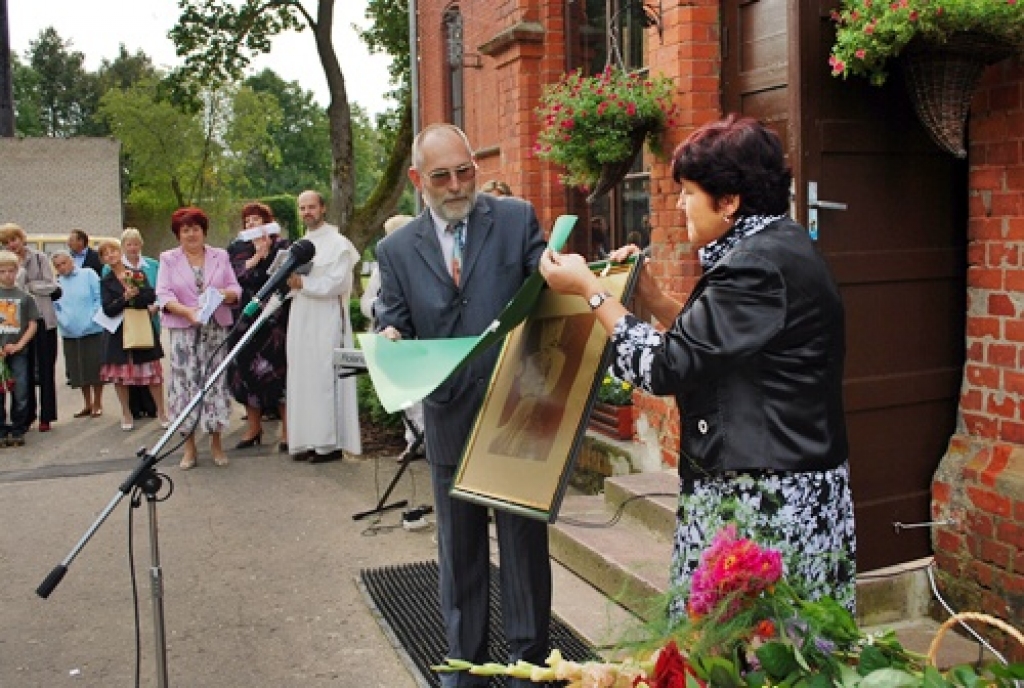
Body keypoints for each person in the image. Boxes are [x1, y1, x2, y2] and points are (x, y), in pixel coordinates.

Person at [539, 114, 855, 615]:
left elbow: (664, 367)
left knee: (747, 651)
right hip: (788, 482)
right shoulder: (778, 247)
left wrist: (591, 292)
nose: (679, 203)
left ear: (729, 201)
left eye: (688, 191)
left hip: (763, 498)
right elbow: (722, 346)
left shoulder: (753, 266)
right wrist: (653, 298)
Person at [375, 123, 550, 685]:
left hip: (516, 412)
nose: (456, 186)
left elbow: (548, 289)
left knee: (524, 550)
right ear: (416, 180)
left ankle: (532, 668)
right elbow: (392, 317)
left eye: (465, 171)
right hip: (449, 414)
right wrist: (390, 336)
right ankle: (466, 668)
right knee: (460, 553)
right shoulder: (396, 249)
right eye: (442, 176)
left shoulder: (517, 218)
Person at [157, 207, 241, 469]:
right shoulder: (168, 259)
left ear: (204, 231)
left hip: (215, 329)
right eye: (185, 230)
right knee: (185, 388)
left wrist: (223, 294)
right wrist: (187, 312)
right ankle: (189, 448)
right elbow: (163, 294)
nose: (191, 234)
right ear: (178, 234)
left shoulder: (221, 256)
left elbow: (236, 289)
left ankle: (216, 444)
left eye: (195, 228)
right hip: (184, 331)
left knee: (214, 385)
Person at [285, 190, 361, 462]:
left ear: (323, 208)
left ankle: (328, 445)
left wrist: (304, 283)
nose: (307, 212)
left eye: (311, 207)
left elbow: (338, 283)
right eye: (302, 208)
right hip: (301, 314)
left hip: (326, 317)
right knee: (302, 376)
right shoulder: (301, 244)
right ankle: (304, 440)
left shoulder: (338, 243)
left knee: (322, 377)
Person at [226, 202, 291, 452]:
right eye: (247, 221)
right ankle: (253, 428)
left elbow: (285, 277)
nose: (251, 224)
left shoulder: (283, 246)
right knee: (245, 371)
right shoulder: (236, 248)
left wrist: (269, 253)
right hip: (245, 318)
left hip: (275, 319)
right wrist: (256, 257)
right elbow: (235, 278)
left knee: (279, 372)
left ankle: (287, 431)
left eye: (256, 219)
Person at [359, 214, 424, 461]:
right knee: (406, 394)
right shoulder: (381, 268)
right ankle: (413, 440)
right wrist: (384, 309)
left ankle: (428, 439)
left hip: (421, 339)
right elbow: (367, 303)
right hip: (395, 336)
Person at [97, 238, 168, 432]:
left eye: (113, 250)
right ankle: (126, 413)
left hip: (141, 327)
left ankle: (162, 411)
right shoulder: (106, 281)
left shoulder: (136, 273)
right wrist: (123, 299)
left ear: (120, 252)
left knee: (152, 374)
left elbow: (150, 296)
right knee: (121, 377)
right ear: (103, 259)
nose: (111, 255)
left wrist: (136, 294)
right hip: (118, 333)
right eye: (105, 253)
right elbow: (108, 309)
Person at [0, 222, 59, 433]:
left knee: (44, 369)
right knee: (22, 370)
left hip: (42, 319)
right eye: (6, 242)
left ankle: (46, 416)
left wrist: (26, 287)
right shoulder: (5, 263)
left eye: (13, 239)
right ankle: (26, 415)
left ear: (21, 238)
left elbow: (51, 285)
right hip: (17, 325)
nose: (11, 245)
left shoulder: (38, 258)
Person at [51, 251, 105, 418]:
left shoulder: (88, 274)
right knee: (78, 369)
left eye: (64, 263)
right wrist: (62, 321)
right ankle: (86, 403)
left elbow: (98, 296)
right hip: (70, 332)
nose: (61, 268)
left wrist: (94, 318)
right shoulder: (57, 283)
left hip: (92, 328)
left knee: (95, 367)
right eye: (57, 266)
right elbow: (55, 306)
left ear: (71, 261)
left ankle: (98, 402)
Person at [0, 249, 38, 447]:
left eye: (10, 271)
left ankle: (18, 426)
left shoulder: (25, 297)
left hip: (18, 350)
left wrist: (20, 344)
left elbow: (32, 324)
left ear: (17, 272)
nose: (7, 275)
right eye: (2, 271)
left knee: (20, 388)